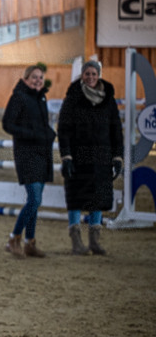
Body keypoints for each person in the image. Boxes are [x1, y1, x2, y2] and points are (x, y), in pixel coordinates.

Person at [57, 59, 124, 255]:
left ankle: (94, 240)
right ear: (82, 75)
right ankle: (76, 240)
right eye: (87, 74)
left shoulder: (108, 99)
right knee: (76, 198)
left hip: (102, 158)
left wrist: (117, 157)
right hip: (78, 157)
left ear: (99, 75)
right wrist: (66, 156)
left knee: (98, 198)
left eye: (94, 74)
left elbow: (116, 130)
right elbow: (64, 129)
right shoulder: (72, 98)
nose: (91, 77)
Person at [2, 64, 56, 258]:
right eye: (34, 77)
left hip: (42, 154)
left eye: (40, 77)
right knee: (34, 199)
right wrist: (32, 135)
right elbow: (7, 124)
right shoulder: (18, 97)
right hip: (26, 154)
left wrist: (48, 133)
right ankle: (13, 238)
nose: (38, 81)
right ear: (25, 79)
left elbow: (42, 124)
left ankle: (30, 242)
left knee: (35, 201)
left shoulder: (41, 97)